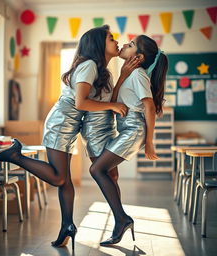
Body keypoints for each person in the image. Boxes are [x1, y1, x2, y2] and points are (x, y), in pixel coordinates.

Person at [0, 25, 139, 250]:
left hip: (72, 125)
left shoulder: (102, 71)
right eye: (111, 38)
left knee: (67, 180)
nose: (116, 41)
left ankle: (67, 227)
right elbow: (81, 103)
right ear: (99, 44)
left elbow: (101, 102)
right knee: (60, 178)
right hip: (61, 123)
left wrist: (123, 77)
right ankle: (16, 156)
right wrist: (112, 104)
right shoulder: (89, 65)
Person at [88, 35, 168, 246]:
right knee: (109, 174)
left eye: (130, 45)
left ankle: (122, 219)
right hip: (126, 129)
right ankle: (120, 220)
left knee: (97, 170)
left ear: (139, 57)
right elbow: (114, 102)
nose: (124, 44)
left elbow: (149, 107)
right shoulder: (129, 74)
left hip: (133, 130)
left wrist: (149, 142)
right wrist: (122, 76)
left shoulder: (139, 74)